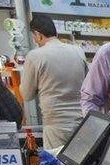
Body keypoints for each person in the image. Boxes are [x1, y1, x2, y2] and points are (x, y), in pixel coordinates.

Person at [21, 14, 89, 150]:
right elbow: (88, 84)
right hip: (81, 121)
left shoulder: (35, 56)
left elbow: (27, 95)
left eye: (34, 37)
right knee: (81, 163)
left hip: (55, 125)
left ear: (38, 34)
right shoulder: (78, 51)